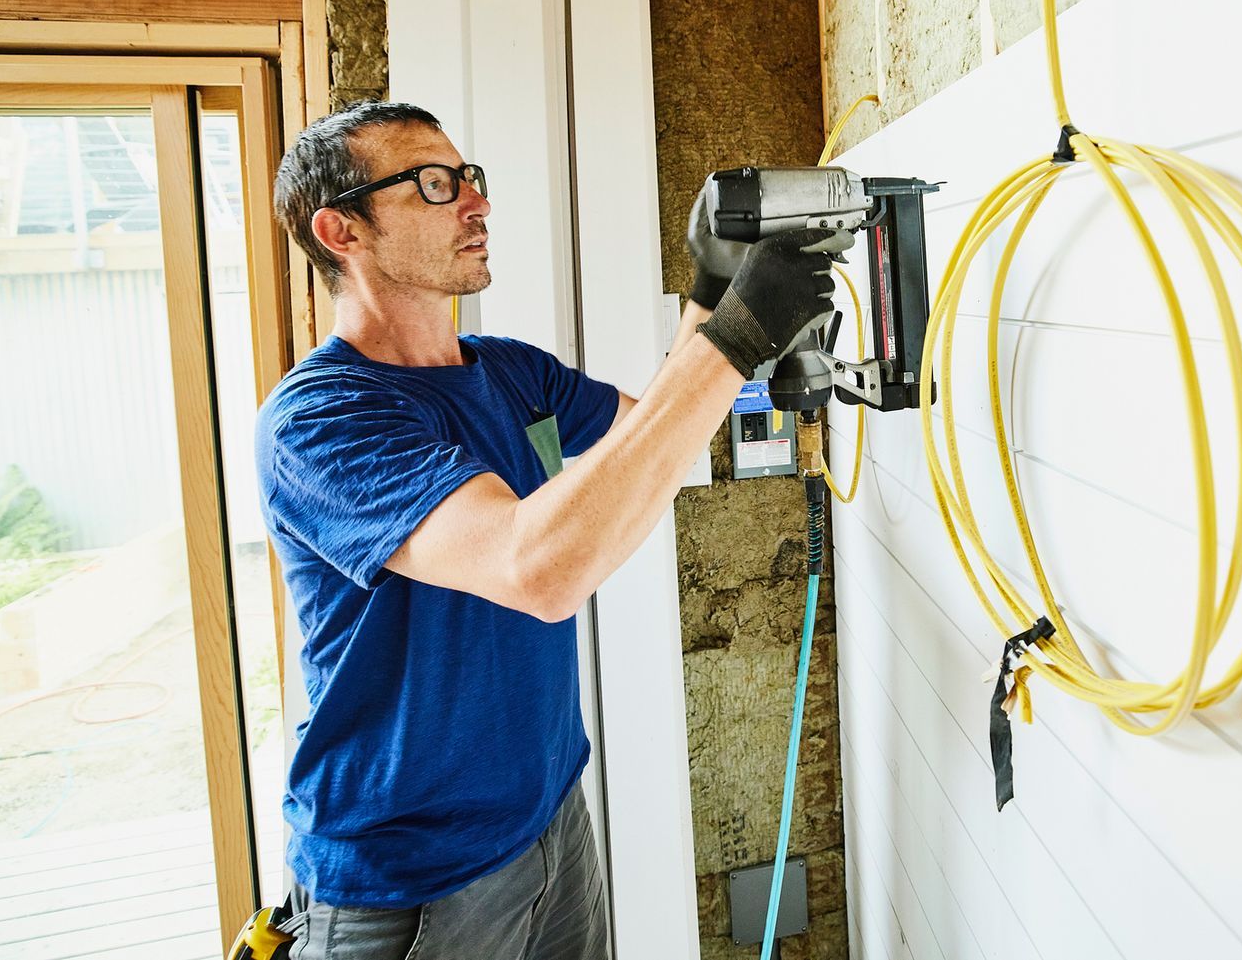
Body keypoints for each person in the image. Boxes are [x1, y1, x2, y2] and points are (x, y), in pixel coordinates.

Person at [256, 100, 834, 958]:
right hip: (409, 887)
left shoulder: (507, 371)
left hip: (553, 820)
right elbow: (537, 568)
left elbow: (655, 446)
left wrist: (709, 297)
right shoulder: (320, 420)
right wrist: (737, 337)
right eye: (435, 185)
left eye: (471, 180)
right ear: (340, 229)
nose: (476, 204)